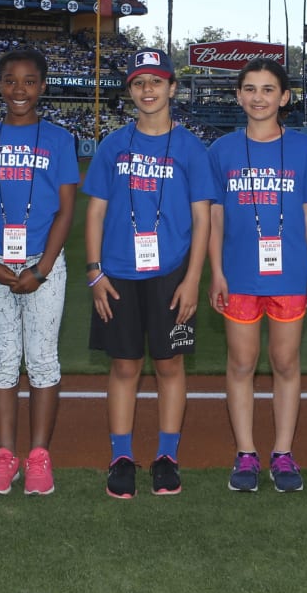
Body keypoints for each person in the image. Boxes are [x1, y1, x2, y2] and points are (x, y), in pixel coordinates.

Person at [83, 48, 215, 498]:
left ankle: (167, 455)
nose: (148, 89)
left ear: (172, 88)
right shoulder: (113, 144)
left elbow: (203, 219)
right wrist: (95, 273)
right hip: (118, 273)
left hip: (171, 273)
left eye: (156, 81)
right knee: (124, 365)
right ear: (131, 91)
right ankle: (121, 455)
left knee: (169, 363)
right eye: (139, 82)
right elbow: (96, 212)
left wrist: (193, 277)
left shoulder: (191, 147)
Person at [207, 58, 307, 493]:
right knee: (241, 363)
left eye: (267, 89)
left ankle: (282, 451)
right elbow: (215, 218)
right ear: (239, 95)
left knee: (284, 362)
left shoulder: (303, 149)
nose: (258, 97)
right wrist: (216, 272)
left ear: (285, 97)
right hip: (239, 276)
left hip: (290, 275)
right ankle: (245, 452)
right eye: (250, 89)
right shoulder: (221, 150)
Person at [0, 47, 79, 495]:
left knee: (43, 359)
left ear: (43, 87)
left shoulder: (59, 139)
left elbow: (66, 210)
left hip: (42, 265)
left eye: (30, 81)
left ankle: (39, 456)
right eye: (10, 80)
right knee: (3, 360)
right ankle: (5, 454)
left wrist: (44, 267)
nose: (19, 90)